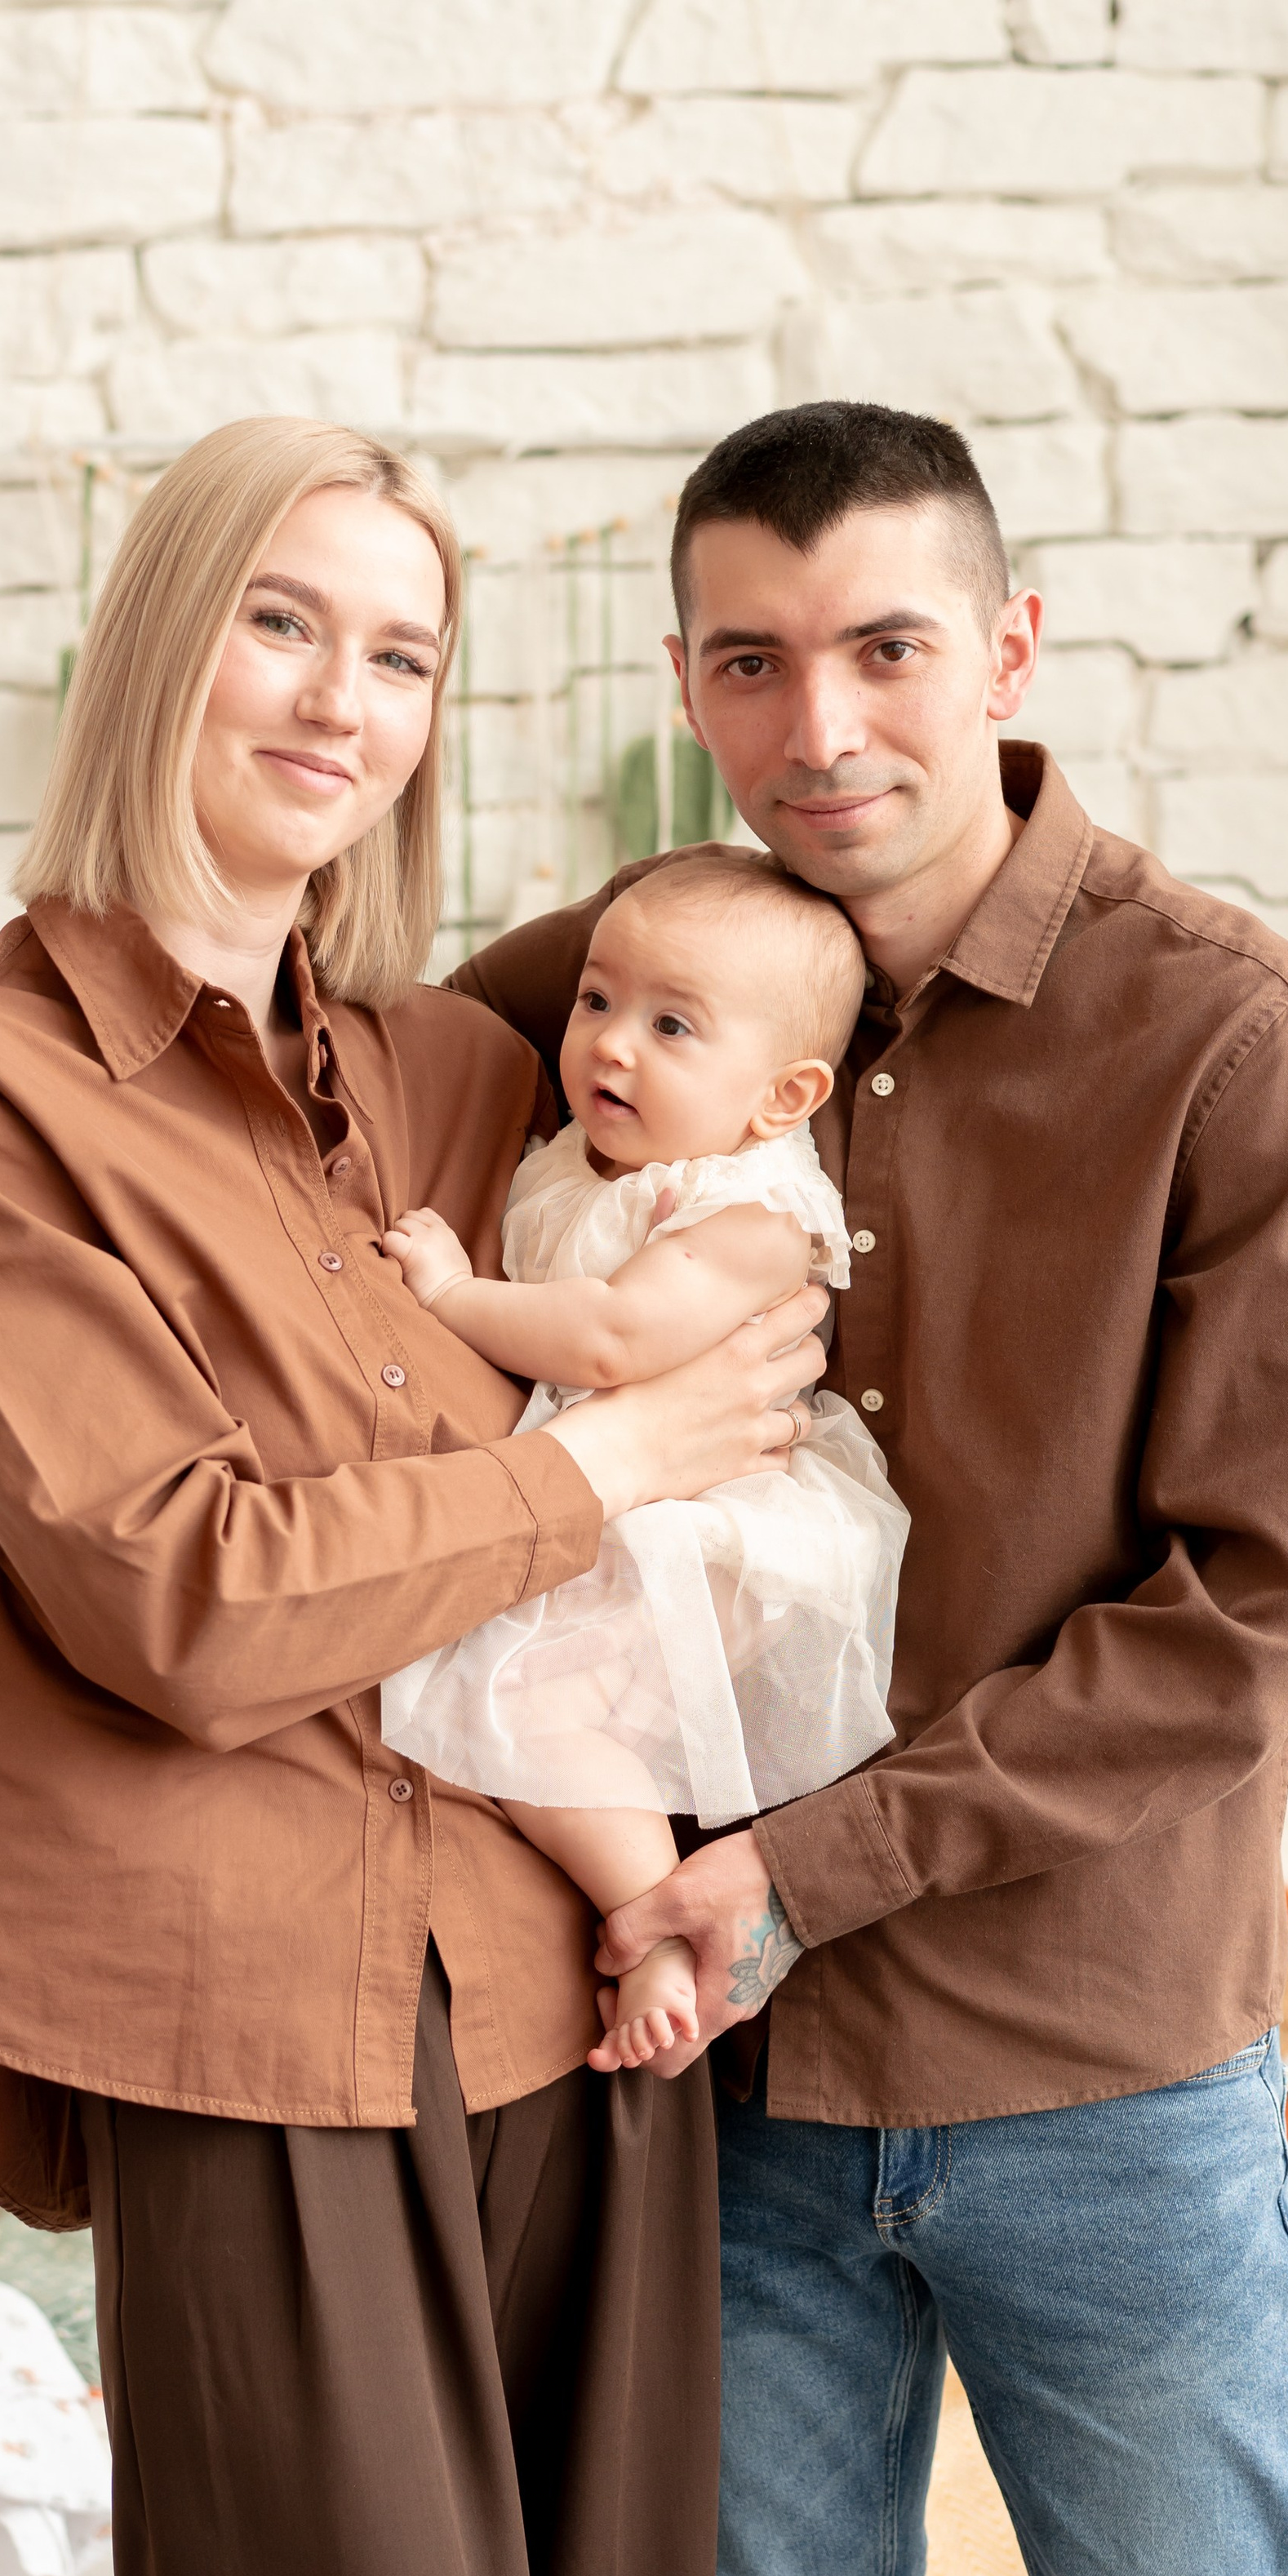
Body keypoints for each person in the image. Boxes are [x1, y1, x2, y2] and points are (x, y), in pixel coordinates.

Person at [0, 400, 1288, 2576]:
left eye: (886, 650)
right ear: (688, 683)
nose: (819, 725)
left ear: (1011, 648)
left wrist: (774, 1874)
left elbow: (1255, 1617)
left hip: (1070, 2062)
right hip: (712, 2081)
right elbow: (191, 1030)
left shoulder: (1229, 1034)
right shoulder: (617, 980)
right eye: (753, 662)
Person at [0, 412, 830, 2576]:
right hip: (242, 2019)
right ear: (157, 642)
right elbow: (178, 1589)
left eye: (401, 655)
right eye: (277, 620)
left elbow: (783, 951)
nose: (336, 701)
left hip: (578, 2013)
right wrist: (605, 1465)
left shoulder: (475, 1070)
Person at [380, 845, 908, 2078]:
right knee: (537, 1722)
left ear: (782, 1098)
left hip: (714, 1528)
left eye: (673, 1026)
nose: (611, 1045)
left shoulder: (747, 1214)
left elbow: (617, 1340)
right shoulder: (584, 1155)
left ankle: (661, 1928)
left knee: (535, 1720)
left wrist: (456, 1298)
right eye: (598, 1001)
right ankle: (660, 1913)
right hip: (621, 1501)